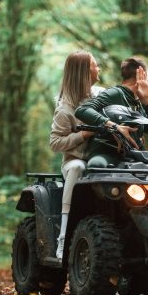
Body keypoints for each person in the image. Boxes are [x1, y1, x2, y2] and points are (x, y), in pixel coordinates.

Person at [50, 50, 103, 260]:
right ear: (84, 71)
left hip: (103, 162)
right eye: (95, 65)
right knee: (77, 167)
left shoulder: (101, 96)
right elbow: (55, 142)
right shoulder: (65, 108)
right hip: (75, 161)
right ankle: (63, 238)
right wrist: (83, 135)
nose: (99, 69)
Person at [75, 56, 148, 168]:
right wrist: (115, 127)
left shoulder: (139, 103)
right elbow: (82, 110)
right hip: (106, 155)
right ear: (142, 75)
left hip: (133, 157)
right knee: (97, 165)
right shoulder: (114, 93)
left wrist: (147, 101)